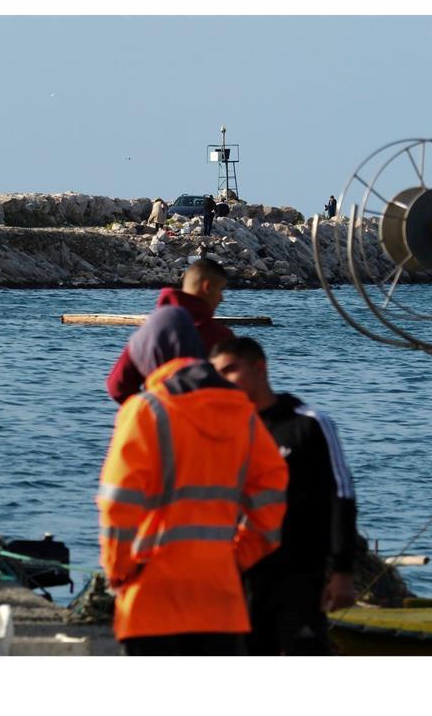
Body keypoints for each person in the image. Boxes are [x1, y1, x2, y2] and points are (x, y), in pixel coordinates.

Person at [96, 307, 288, 655]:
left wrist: (119, 568)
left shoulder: (145, 410)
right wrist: (237, 558)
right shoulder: (243, 414)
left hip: (152, 598)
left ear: (150, 355)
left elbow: (118, 502)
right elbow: (272, 497)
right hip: (221, 600)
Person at [209, 337, 359, 655]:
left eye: (230, 370)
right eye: (216, 374)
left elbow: (341, 496)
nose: (222, 381)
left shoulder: (308, 424)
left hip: (300, 575)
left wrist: (342, 571)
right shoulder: (225, 431)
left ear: (259, 367)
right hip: (241, 577)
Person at [106, 258, 234, 404]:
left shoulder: (148, 330)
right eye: (221, 290)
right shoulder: (220, 336)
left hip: (155, 422)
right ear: (207, 287)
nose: (222, 298)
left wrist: (151, 410)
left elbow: (117, 386)